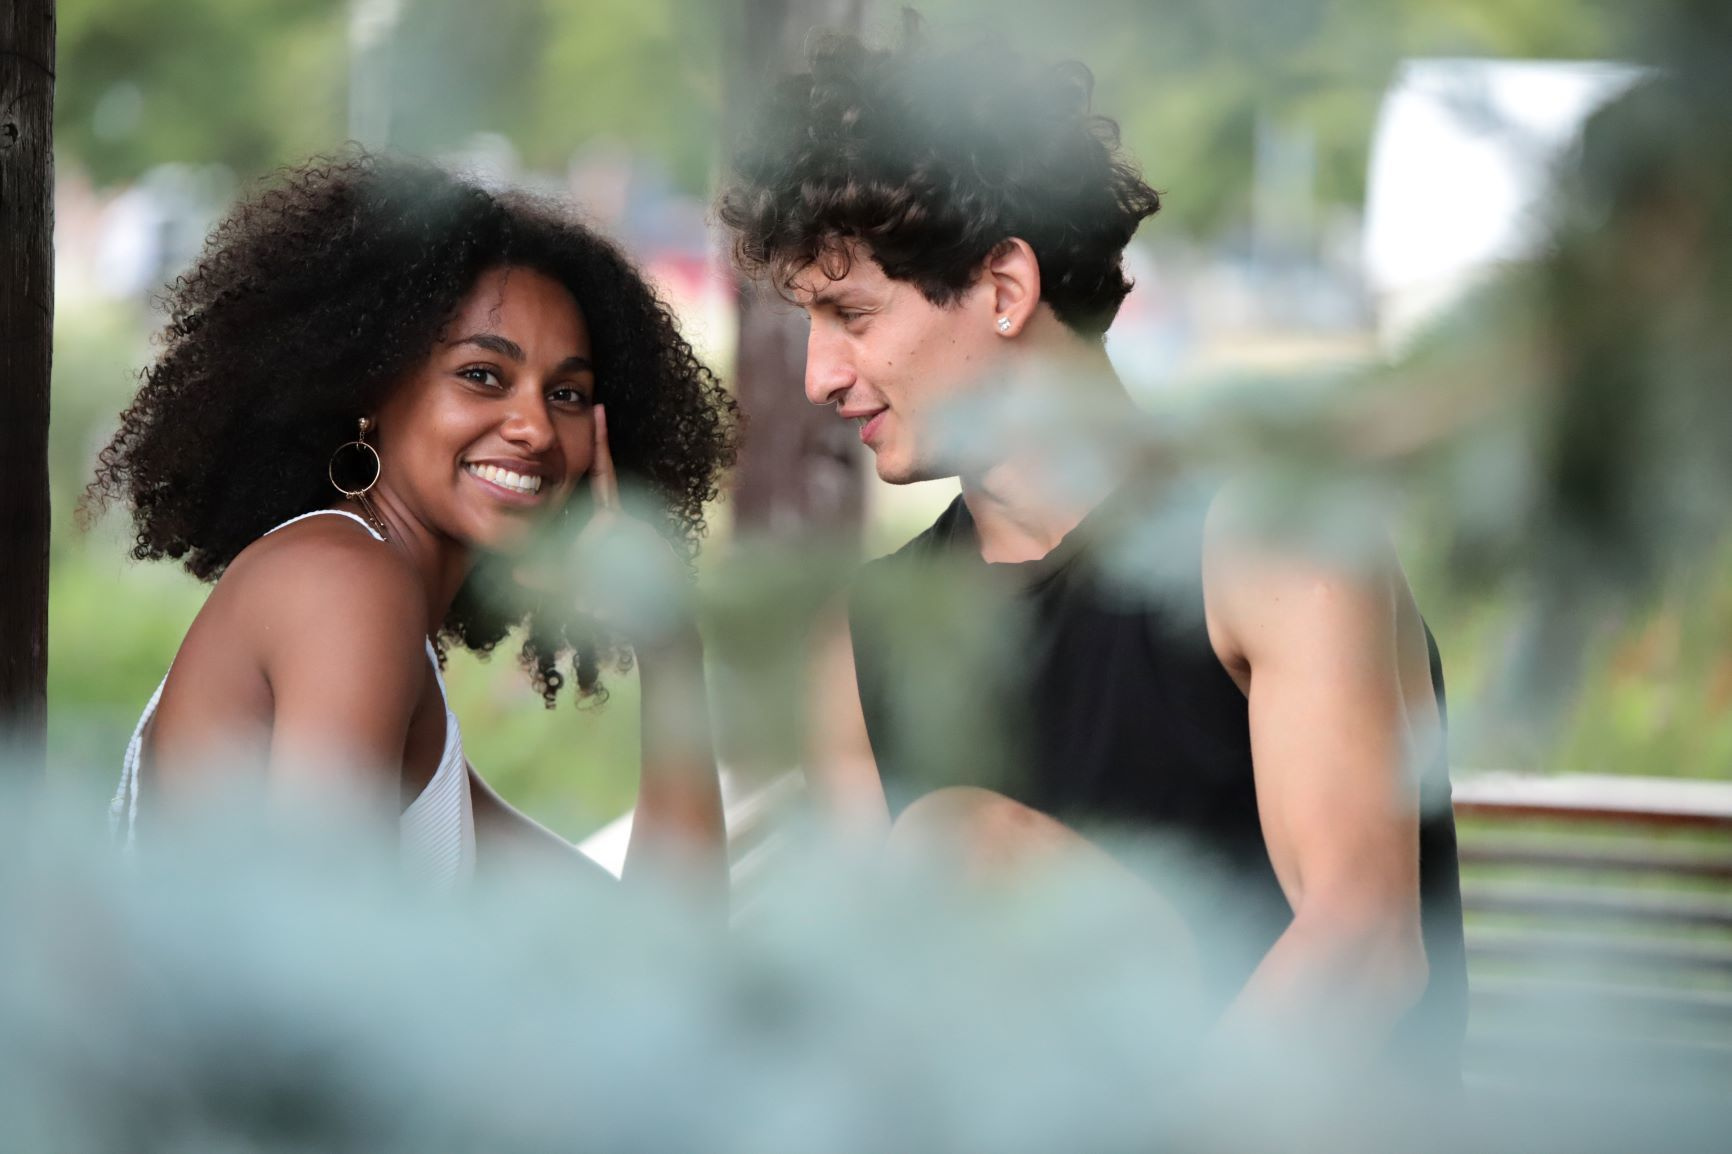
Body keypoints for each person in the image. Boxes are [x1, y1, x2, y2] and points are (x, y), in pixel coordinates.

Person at [718, 27, 1466, 1076]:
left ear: (1006, 288)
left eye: (850, 314)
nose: (818, 375)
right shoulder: (867, 630)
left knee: (951, 840)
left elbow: (1364, 949)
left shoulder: (1269, 536)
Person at [89, 153, 737, 890]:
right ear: (371, 383)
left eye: (566, 394)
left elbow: (661, 954)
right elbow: (330, 976)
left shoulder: (370, 613)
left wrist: (670, 643)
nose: (533, 426)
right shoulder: (345, 585)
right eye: (482, 376)